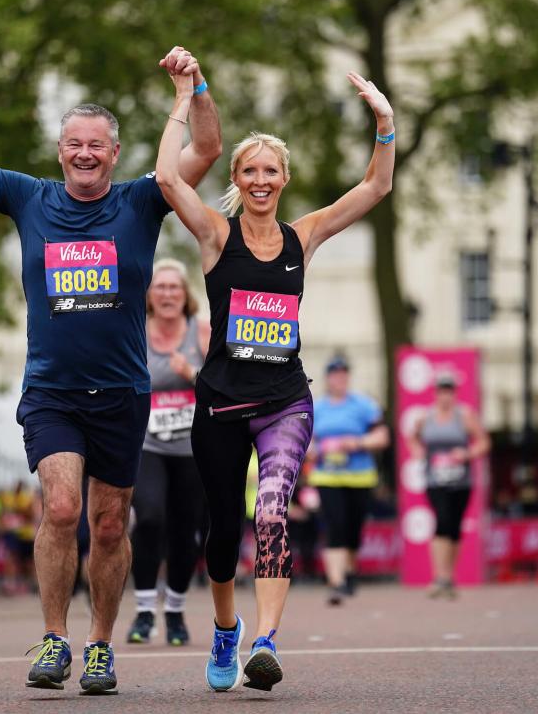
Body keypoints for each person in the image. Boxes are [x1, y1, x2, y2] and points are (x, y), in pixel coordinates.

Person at [0, 18, 221, 694]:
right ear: (60, 151)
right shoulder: (30, 198)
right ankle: (54, 638)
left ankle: (100, 646)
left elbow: (206, 145)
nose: (85, 153)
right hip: (51, 390)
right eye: (74, 144)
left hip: (120, 393)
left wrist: (194, 86)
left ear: (114, 153)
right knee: (60, 509)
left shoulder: (144, 201)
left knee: (111, 523)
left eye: (96, 145)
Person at [155, 58, 394, 692]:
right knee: (223, 530)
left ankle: (265, 642)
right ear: (236, 178)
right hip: (221, 405)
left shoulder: (303, 235)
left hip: (285, 401)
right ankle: (228, 630)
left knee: (273, 511)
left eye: (271, 171)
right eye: (250, 170)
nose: (261, 180)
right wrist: (185, 99)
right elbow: (165, 179)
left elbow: (374, 189)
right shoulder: (213, 235)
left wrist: (385, 123)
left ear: (285, 179)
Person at [126, 258, 210, 646]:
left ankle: (174, 610)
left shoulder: (202, 331)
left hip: (193, 448)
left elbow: (225, 383)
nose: (167, 294)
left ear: (185, 295)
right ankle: (144, 610)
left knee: (185, 533)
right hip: (149, 445)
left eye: (174, 287)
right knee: (150, 518)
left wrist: (192, 374)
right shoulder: (134, 332)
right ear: (149, 295)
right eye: (160, 287)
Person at [305, 354, 389, 606]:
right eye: (334, 374)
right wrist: (318, 449)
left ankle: (350, 570)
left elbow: (382, 436)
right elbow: (304, 440)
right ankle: (336, 582)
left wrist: (357, 442)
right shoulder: (316, 407)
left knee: (353, 530)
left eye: (343, 374)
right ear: (327, 378)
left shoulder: (363, 405)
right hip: (327, 475)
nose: (339, 378)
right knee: (334, 525)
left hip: (360, 477)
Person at [408, 371, 490, 599]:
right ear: (436, 393)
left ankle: (448, 577)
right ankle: (439, 577)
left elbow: (483, 442)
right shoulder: (426, 417)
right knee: (441, 521)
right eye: (441, 391)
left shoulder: (464, 416)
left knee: (454, 527)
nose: (445, 396)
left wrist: (466, 453)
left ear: (454, 393)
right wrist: (417, 451)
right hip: (435, 479)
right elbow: (413, 437)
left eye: (449, 391)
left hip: (461, 481)